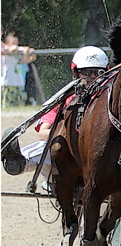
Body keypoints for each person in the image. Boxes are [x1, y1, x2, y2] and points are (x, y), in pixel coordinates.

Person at [3, 46, 108, 178]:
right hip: (69, 158)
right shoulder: (65, 99)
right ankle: (19, 162)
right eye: (87, 72)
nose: (92, 77)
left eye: (98, 72)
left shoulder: (110, 99)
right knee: (47, 146)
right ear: (77, 73)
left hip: (101, 157)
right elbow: (43, 132)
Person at [1, 31, 37, 108]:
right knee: (7, 107)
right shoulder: (5, 50)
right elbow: (13, 49)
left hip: (20, 84)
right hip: (8, 84)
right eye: (13, 41)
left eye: (16, 41)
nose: (15, 43)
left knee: (20, 106)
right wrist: (23, 49)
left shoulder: (20, 52)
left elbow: (29, 59)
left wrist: (29, 52)